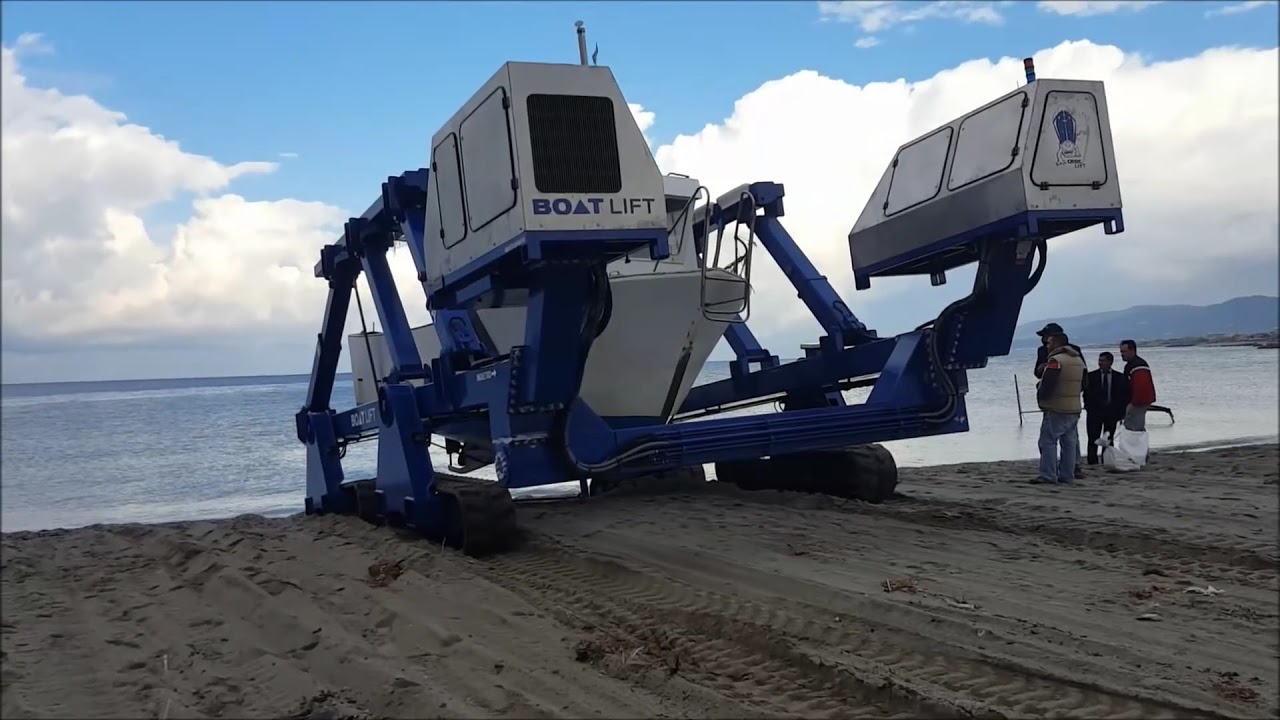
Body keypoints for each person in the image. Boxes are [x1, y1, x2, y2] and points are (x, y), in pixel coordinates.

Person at [1034, 326, 1087, 484]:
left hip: (1056, 406)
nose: (1046, 345)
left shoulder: (1055, 361)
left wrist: (1041, 397)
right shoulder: (1078, 359)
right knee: (1069, 442)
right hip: (1074, 406)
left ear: (1056, 343)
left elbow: (1047, 384)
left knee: (1048, 441)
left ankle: (1048, 475)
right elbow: (1085, 382)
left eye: (1049, 342)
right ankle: (1068, 474)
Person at [1083, 351, 1130, 464]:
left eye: (1103, 361)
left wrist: (1121, 412)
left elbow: (1124, 396)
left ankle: (1107, 459)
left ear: (1110, 362)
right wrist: (1088, 407)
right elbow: (1086, 394)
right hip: (1094, 412)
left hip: (1111, 412)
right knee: (1093, 437)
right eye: (1099, 360)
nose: (1100, 363)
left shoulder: (1119, 377)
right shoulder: (1091, 376)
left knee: (1108, 437)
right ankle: (1092, 461)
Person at [1119, 339, 1157, 432]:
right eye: (1121, 352)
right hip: (1135, 403)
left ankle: (1138, 441)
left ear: (1132, 350)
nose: (1122, 354)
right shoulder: (1131, 365)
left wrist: (1134, 403)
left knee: (1134, 430)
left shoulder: (1138, 366)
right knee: (1133, 428)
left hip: (1137, 404)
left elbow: (1142, 386)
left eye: (1124, 351)